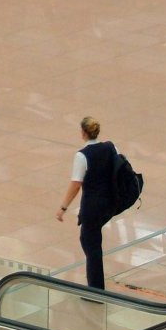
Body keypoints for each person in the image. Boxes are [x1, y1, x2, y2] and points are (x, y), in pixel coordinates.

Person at [55, 117, 117, 290]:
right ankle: (96, 283)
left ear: (83, 133)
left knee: (92, 245)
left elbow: (76, 184)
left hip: (92, 206)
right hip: (109, 202)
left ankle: (96, 289)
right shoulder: (110, 147)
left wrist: (63, 208)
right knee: (88, 239)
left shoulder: (82, 156)